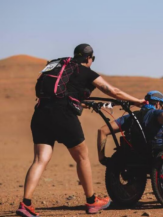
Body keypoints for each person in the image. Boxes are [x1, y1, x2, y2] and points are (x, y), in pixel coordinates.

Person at [16, 44, 145, 216]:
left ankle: (26, 204)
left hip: (40, 113)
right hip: (62, 115)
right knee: (82, 156)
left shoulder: (58, 66)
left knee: (40, 160)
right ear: (89, 58)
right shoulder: (86, 72)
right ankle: (92, 201)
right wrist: (136, 101)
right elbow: (111, 90)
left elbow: (66, 93)